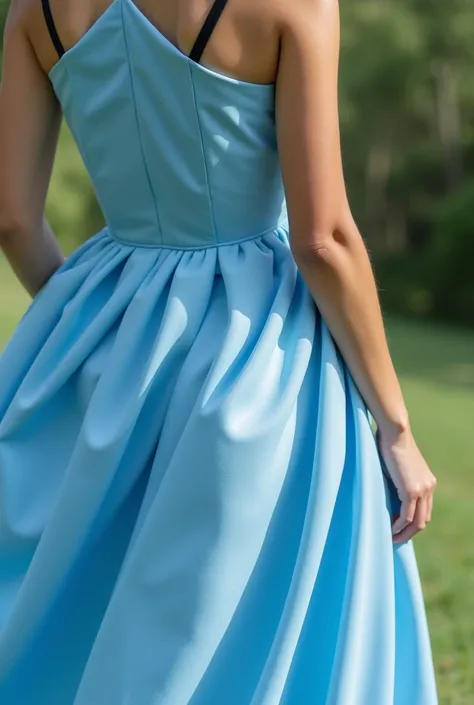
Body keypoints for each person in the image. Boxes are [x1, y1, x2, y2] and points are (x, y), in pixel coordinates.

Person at [0, 0, 438, 703]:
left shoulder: (34, 9)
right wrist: (397, 425)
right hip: (259, 348)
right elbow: (323, 237)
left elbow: (13, 217)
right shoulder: (294, 6)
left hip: (109, 314)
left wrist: (93, 327)